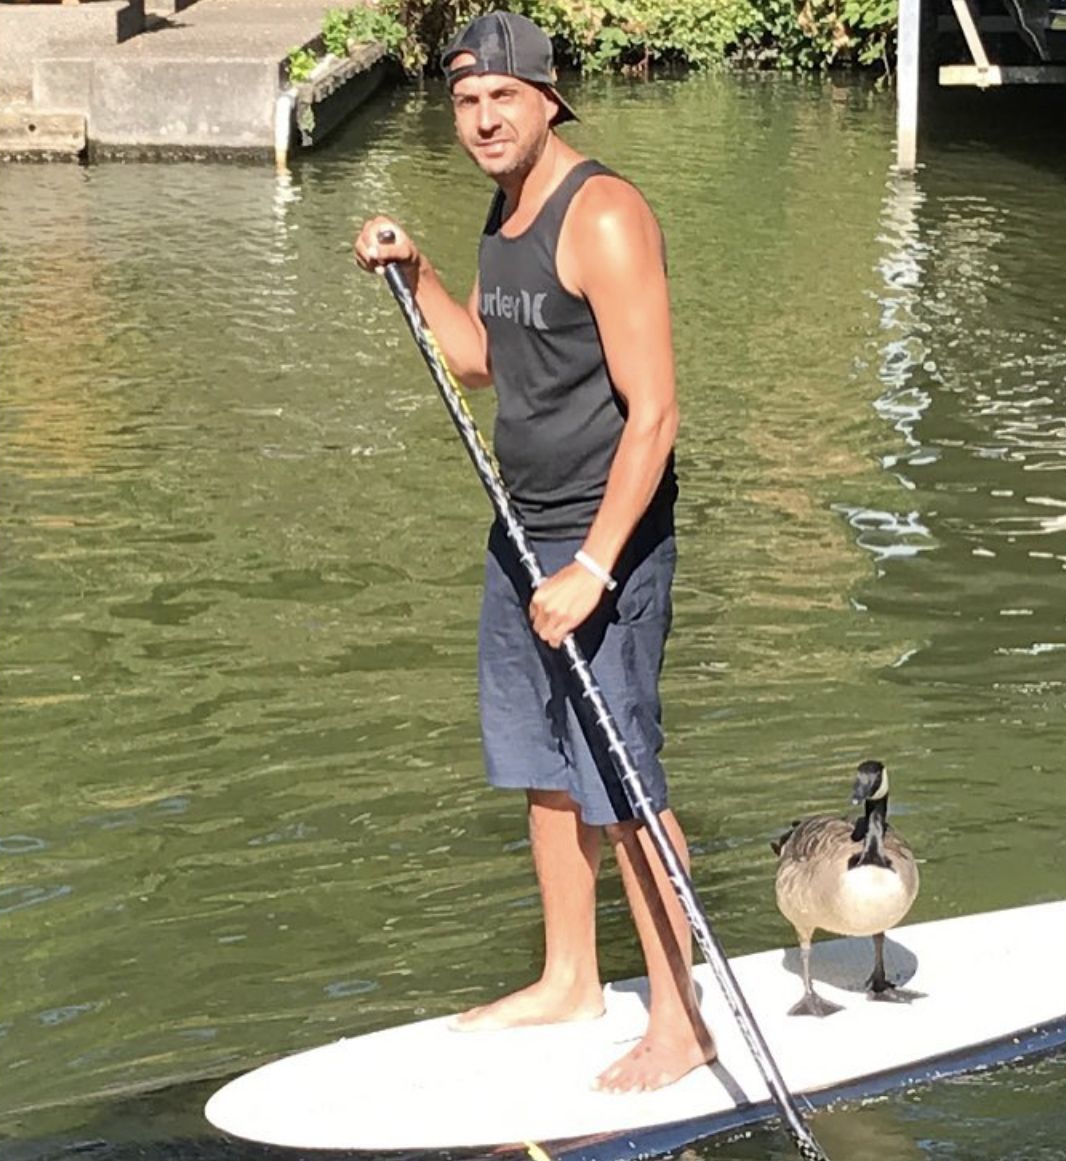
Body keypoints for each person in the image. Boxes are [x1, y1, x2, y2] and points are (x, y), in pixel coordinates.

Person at [354, 10, 713, 1094]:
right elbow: (482, 365)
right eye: (463, 103)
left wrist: (593, 568)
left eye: (499, 98)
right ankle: (568, 978)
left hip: (604, 542)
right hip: (522, 530)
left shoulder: (599, 215)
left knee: (623, 782)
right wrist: (415, 272)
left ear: (547, 97)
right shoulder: (503, 217)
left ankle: (681, 1020)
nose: (479, 120)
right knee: (541, 772)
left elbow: (653, 415)